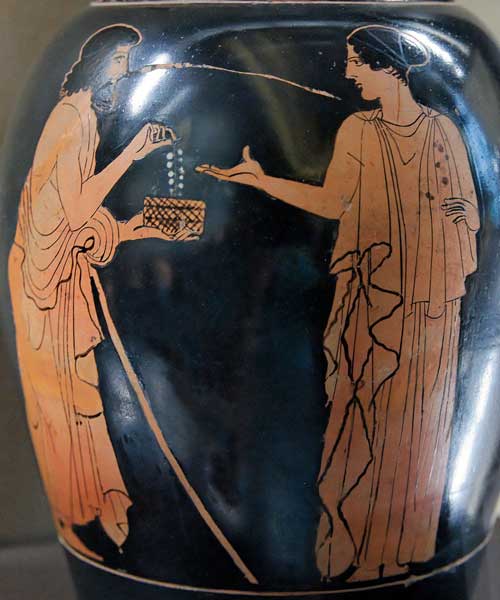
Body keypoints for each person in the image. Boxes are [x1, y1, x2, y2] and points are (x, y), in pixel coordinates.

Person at [197, 25, 480, 583]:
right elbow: (332, 203)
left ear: (386, 66)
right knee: (363, 419)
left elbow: (470, 205)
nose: (349, 73)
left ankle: (400, 551)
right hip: (374, 298)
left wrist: (459, 214)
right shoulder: (359, 130)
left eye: (356, 63)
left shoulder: (443, 129)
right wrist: (263, 182)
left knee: (418, 423)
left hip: (431, 300)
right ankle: (356, 550)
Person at [8, 24, 191, 561]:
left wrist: (131, 228)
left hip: (59, 272)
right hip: (47, 285)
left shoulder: (82, 117)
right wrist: (133, 153)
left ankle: (102, 509)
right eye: (118, 64)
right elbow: (71, 212)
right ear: (93, 64)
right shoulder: (73, 117)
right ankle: (93, 513)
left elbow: (77, 219)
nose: (122, 74)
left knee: (82, 393)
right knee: (71, 398)